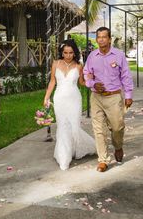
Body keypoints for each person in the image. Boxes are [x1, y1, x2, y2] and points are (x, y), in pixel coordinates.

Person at [83, 27, 133, 172]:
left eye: (104, 37)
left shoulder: (119, 55)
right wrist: (92, 84)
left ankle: (118, 146)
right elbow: (87, 74)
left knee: (117, 127)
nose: (101, 40)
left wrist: (128, 95)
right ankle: (103, 160)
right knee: (99, 129)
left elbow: (126, 76)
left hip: (114, 97)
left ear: (110, 39)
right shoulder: (92, 56)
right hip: (96, 98)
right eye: (99, 37)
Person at [43, 40, 96, 170]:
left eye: (71, 53)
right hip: (60, 98)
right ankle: (64, 157)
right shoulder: (55, 63)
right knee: (62, 126)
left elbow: (82, 83)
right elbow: (52, 82)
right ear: (62, 52)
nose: (68, 55)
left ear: (74, 53)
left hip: (74, 99)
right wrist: (46, 97)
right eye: (65, 52)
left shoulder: (79, 66)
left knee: (74, 127)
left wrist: (90, 78)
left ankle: (77, 149)